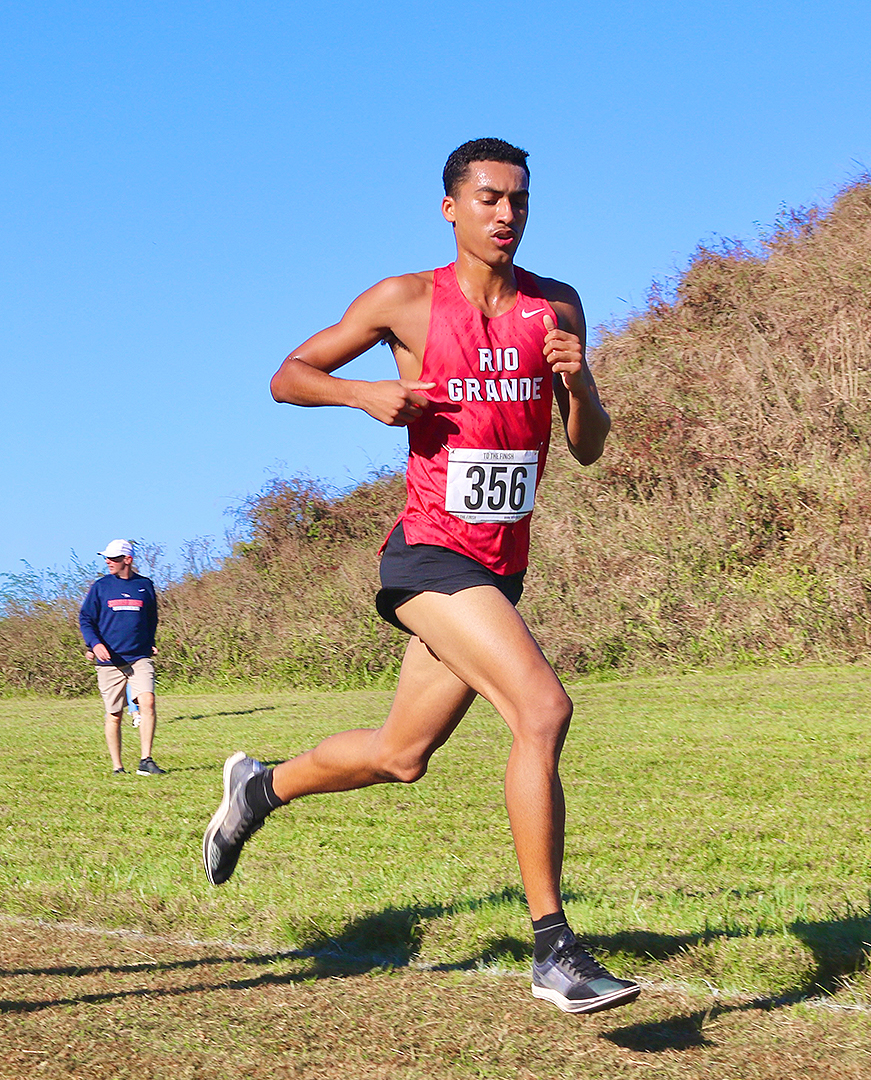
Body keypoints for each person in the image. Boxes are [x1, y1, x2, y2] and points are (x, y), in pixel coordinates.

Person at [203, 139, 635, 1016]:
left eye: (519, 199)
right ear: (451, 208)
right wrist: (364, 395)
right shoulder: (406, 301)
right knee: (544, 709)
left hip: (498, 570)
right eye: (488, 199)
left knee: (402, 757)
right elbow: (288, 376)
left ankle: (260, 786)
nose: (506, 214)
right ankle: (554, 948)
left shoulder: (558, 306)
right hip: (431, 556)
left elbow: (586, 447)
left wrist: (581, 383)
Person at [77, 539, 164, 776]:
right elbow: (86, 619)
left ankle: (146, 760)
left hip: (139, 658)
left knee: (148, 702)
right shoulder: (100, 587)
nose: (108, 562)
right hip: (109, 661)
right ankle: (118, 767)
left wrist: (150, 641)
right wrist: (94, 645)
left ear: (128, 560)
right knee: (114, 714)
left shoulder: (145, 585)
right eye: (106, 558)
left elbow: (151, 618)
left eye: (113, 558)